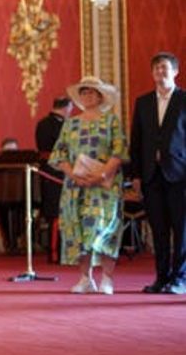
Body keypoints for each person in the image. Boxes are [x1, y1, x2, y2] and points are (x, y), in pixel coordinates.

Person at [49, 76, 126, 295]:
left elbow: (119, 151)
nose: (87, 95)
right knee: (79, 230)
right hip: (76, 186)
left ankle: (107, 279)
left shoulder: (111, 121)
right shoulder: (70, 123)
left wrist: (102, 174)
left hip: (105, 186)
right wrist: (72, 174)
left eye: (91, 92)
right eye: (83, 92)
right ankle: (85, 278)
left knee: (106, 229)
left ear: (101, 96)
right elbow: (59, 153)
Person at [130, 52, 186, 294]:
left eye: (165, 68)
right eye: (156, 69)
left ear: (175, 71)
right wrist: (136, 175)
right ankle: (161, 278)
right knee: (159, 230)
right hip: (151, 176)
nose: (160, 72)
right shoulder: (143, 103)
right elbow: (136, 140)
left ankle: (180, 279)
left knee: (182, 230)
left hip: (180, 175)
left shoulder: (184, 99)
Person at [35, 96, 73, 262]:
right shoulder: (55, 125)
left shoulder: (43, 123)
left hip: (57, 171)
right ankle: (55, 252)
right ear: (66, 107)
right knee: (56, 213)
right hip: (55, 172)